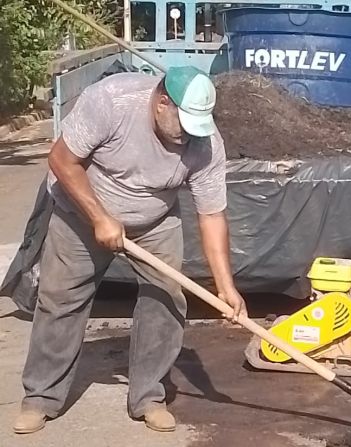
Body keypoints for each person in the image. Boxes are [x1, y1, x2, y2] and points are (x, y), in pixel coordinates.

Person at [13, 66, 247, 434]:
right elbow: (61, 159)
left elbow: (212, 216)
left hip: (154, 221)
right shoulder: (112, 101)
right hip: (81, 211)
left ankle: (149, 396)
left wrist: (226, 287)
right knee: (61, 299)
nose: (188, 136)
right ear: (161, 103)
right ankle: (41, 397)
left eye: (197, 127)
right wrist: (100, 217)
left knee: (167, 299)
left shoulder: (206, 143)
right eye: (183, 124)